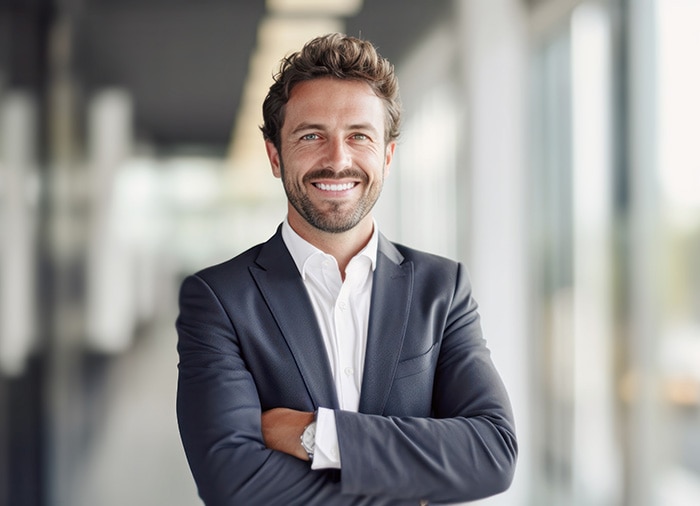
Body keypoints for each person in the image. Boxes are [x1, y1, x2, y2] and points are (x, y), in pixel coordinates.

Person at [176, 33, 517, 505]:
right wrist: (405, 484)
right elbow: (232, 482)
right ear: (276, 156)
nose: (338, 160)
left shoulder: (442, 290)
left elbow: (491, 453)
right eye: (312, 135)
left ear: (388, 156)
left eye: (359, 136)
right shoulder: (220, 299)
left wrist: (319, 435)